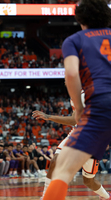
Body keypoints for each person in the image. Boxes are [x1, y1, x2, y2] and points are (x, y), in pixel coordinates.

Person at [42, 0, 111, 198]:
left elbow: (71, 74)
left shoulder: (74, 40)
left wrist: (80, 109)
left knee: (62, 171)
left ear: (80, 18)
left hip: (101, 105)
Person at [33, 105, 110, 199]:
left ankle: (106, 196)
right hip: (76, 134)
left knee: (89, 181)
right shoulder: (76, 94)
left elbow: (75, 119)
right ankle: (45, 196)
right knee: (55, 160)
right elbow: (75, 119)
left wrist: (49, 117)